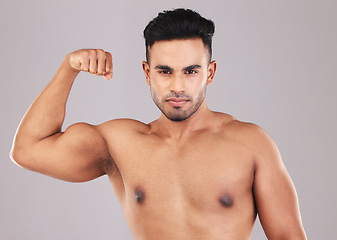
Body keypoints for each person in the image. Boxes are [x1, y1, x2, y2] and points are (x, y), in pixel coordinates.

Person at [10, 8, 306, 240]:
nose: (177, 86)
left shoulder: (251, 143)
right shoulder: (121, 143)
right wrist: (68, 69)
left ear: (210, 72)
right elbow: (27, 150)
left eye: (191, 71)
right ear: (147, 72)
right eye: (165, 71)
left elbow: (289, 237)